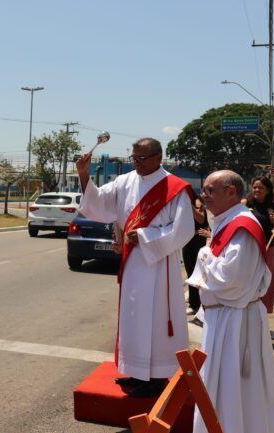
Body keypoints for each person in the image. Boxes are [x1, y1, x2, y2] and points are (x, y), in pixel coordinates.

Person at [75, 137, 194, 397]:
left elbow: (183, 230)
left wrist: (143, 236)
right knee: (133, 317)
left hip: (159, 264)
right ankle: (137, 372)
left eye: (142, 158)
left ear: (158, 157)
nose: (136, 163)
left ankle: (157, 378)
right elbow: (100, 204)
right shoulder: (125, 181)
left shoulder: (175, 188)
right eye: (134, 158)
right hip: (132, 264)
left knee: (156, 320)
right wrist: (84, 174)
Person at [186, 170, 274, 433]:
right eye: (204, 190)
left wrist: (204, 253)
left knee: (235, 388)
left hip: (234, 321)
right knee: (222, 387)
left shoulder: (243, 227)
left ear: (231, 191)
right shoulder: (227, 220)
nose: (204, 196)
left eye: (210, 190)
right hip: (224, 317)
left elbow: (232, 280)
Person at [244, 175, 274, 313]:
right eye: (255, 187)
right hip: (249, 249)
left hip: (268, 250)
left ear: (268, 190)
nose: (256, 190)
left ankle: (261, 315)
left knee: (265, 284)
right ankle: (245, 313)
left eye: (260, 188)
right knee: (248, 283)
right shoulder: (245, 204)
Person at [182, 192, 209, 314]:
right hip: (188, 244)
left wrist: (191, 207)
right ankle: (194, 304)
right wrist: (191, 232)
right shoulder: (182, 206)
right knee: (191, 275)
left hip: (200, 244)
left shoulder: (196, 203)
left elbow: (201, 218)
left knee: (202, 274)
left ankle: (205, 303)